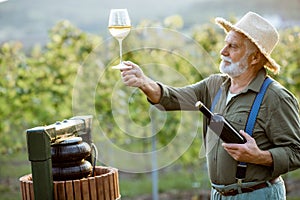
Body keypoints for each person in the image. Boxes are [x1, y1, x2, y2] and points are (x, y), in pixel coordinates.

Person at [119, 11, 300, 199]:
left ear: (254, 58)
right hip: (218, 195)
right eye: (225, 43)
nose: (223, 51)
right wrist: (144, 82)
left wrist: (259, 156)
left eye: (233, 46)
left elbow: (297, 152)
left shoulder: (276, 97)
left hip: (257, 194)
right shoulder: (214, 86)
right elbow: (172, 98)